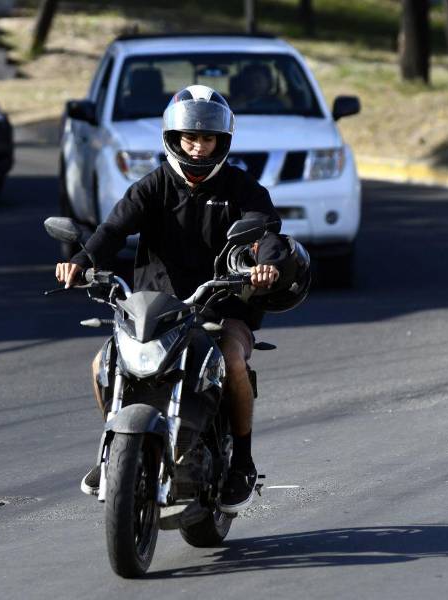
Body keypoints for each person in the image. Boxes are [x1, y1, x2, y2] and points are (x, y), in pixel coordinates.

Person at [55, 84, 290, 514]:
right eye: (190, 138)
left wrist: (266, 265)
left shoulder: (241, 188)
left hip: (221, 303)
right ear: (173, 138)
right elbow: (112, 230)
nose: (198, 147)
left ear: (222, 141)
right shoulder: (154, 186)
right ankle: (115, 450)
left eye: (207, 139)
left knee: (233, 360)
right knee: (102, 363)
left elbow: (266, 232)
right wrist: (81, 261)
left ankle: (242, 460)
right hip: (155, 306)